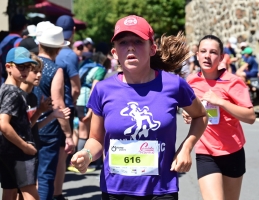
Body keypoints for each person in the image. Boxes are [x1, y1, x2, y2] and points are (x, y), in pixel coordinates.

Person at [71, 15, 208, 200]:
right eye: (123, 42)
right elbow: (96, 139)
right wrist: (86, 154)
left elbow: (200, 116)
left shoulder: (174, 85)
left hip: (161, 189)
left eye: (138, 41)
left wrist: (186, 148)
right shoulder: (103, 89)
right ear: (114, 52)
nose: (130, 47)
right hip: (116, 190)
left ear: (152, 49)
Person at [183, 35, 256, 200]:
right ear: (197, 54)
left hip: (232, 151)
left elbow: (250, 117)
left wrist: (221, 102)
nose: (207, 56)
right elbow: (191, 110)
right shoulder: (191, 81)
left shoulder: (233, 82)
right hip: (205, 152)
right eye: (203, 51)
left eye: (213, 52)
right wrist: (189, 115)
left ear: (221, 57)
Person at [33, 24, 75, 200]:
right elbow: (58, 103)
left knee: (27, 178)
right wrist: (68, 134)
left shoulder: (29, 65)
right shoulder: (55, 69)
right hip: (48, 128)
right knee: (45, 177)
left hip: (28, 123)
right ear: (58, 48)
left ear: (40, 44)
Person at [0, 47, 38, 200]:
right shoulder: (13, 92)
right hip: (18, 153)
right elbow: (3, 124)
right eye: (20, 66)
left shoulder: (5, 88)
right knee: (31, 194)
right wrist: (25, 147)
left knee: (10, 191)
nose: (25, 70)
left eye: (28, 67)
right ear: (8, 67)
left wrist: (40, 111)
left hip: (7, 151)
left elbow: (22, 124)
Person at [54, 15, 81, 200]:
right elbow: (76, 88)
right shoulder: (69, 54)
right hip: (65, 108)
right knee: (62, 154)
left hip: (46, 108)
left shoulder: (46, 51)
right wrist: (71, 102)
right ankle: (56, 194)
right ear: (73, 31)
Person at [0, 14, 28, 83]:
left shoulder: (3, 40)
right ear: (24, 27)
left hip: (2, 79)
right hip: (13, 81)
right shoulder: (19, 42)